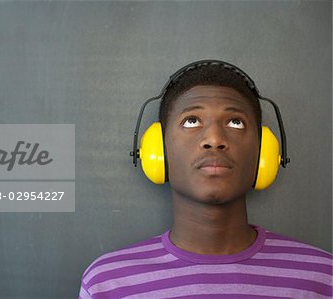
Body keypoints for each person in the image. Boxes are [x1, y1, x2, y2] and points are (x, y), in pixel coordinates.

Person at [79, 61, 333, 298]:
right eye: (191, 121)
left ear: (264, 151)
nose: (214, 138)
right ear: (158, 151)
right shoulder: (107, 284)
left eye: (236, 122)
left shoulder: (324, 278)